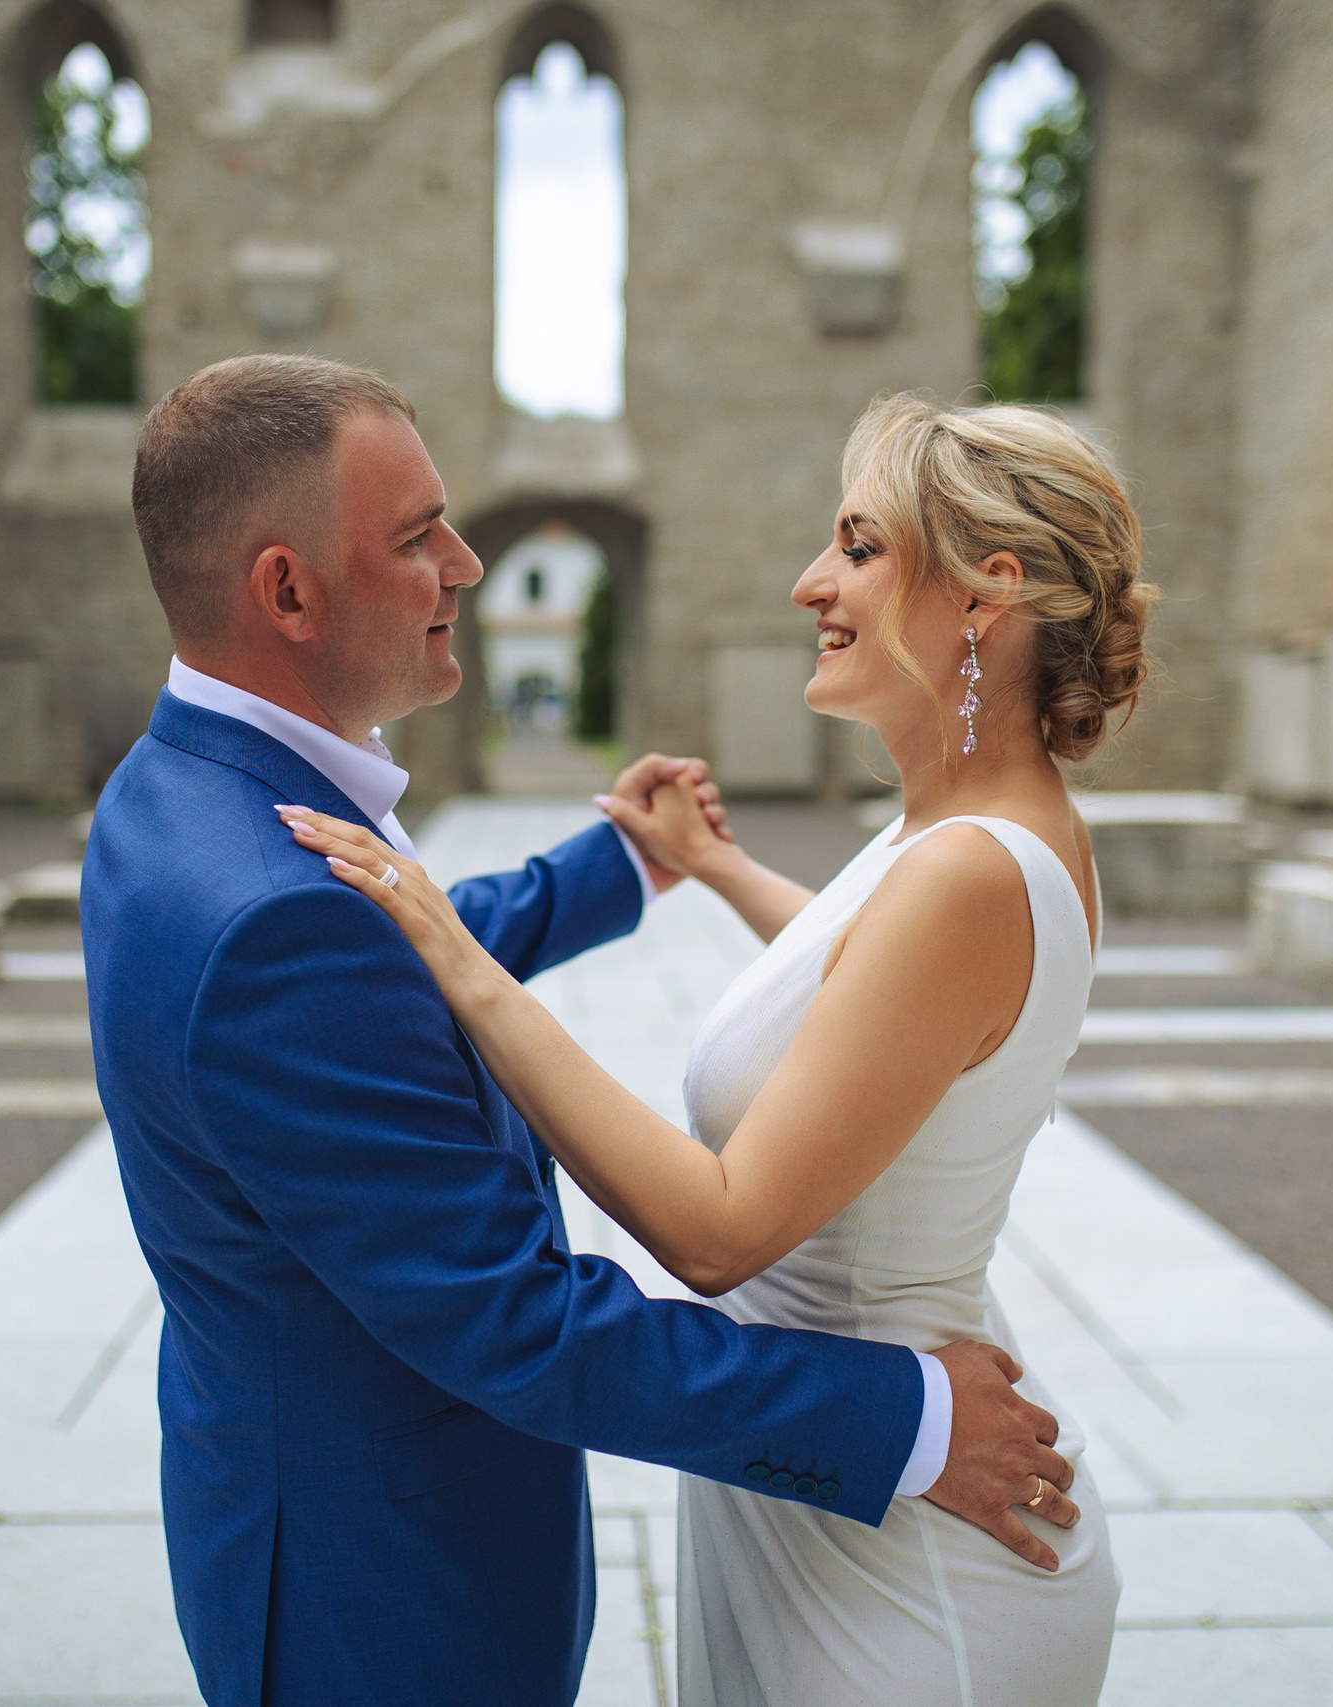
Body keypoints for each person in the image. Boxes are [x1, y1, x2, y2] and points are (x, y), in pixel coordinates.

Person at [82, 357, 1081, 1707]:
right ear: (289, 593)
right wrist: (906, 1423)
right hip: (383, 1591)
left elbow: (369, 957)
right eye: (418, 536)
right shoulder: (275, 916)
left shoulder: (185, 790)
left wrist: (619, 869)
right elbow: (521, 1323)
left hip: (324, 1518)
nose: (468, 563)